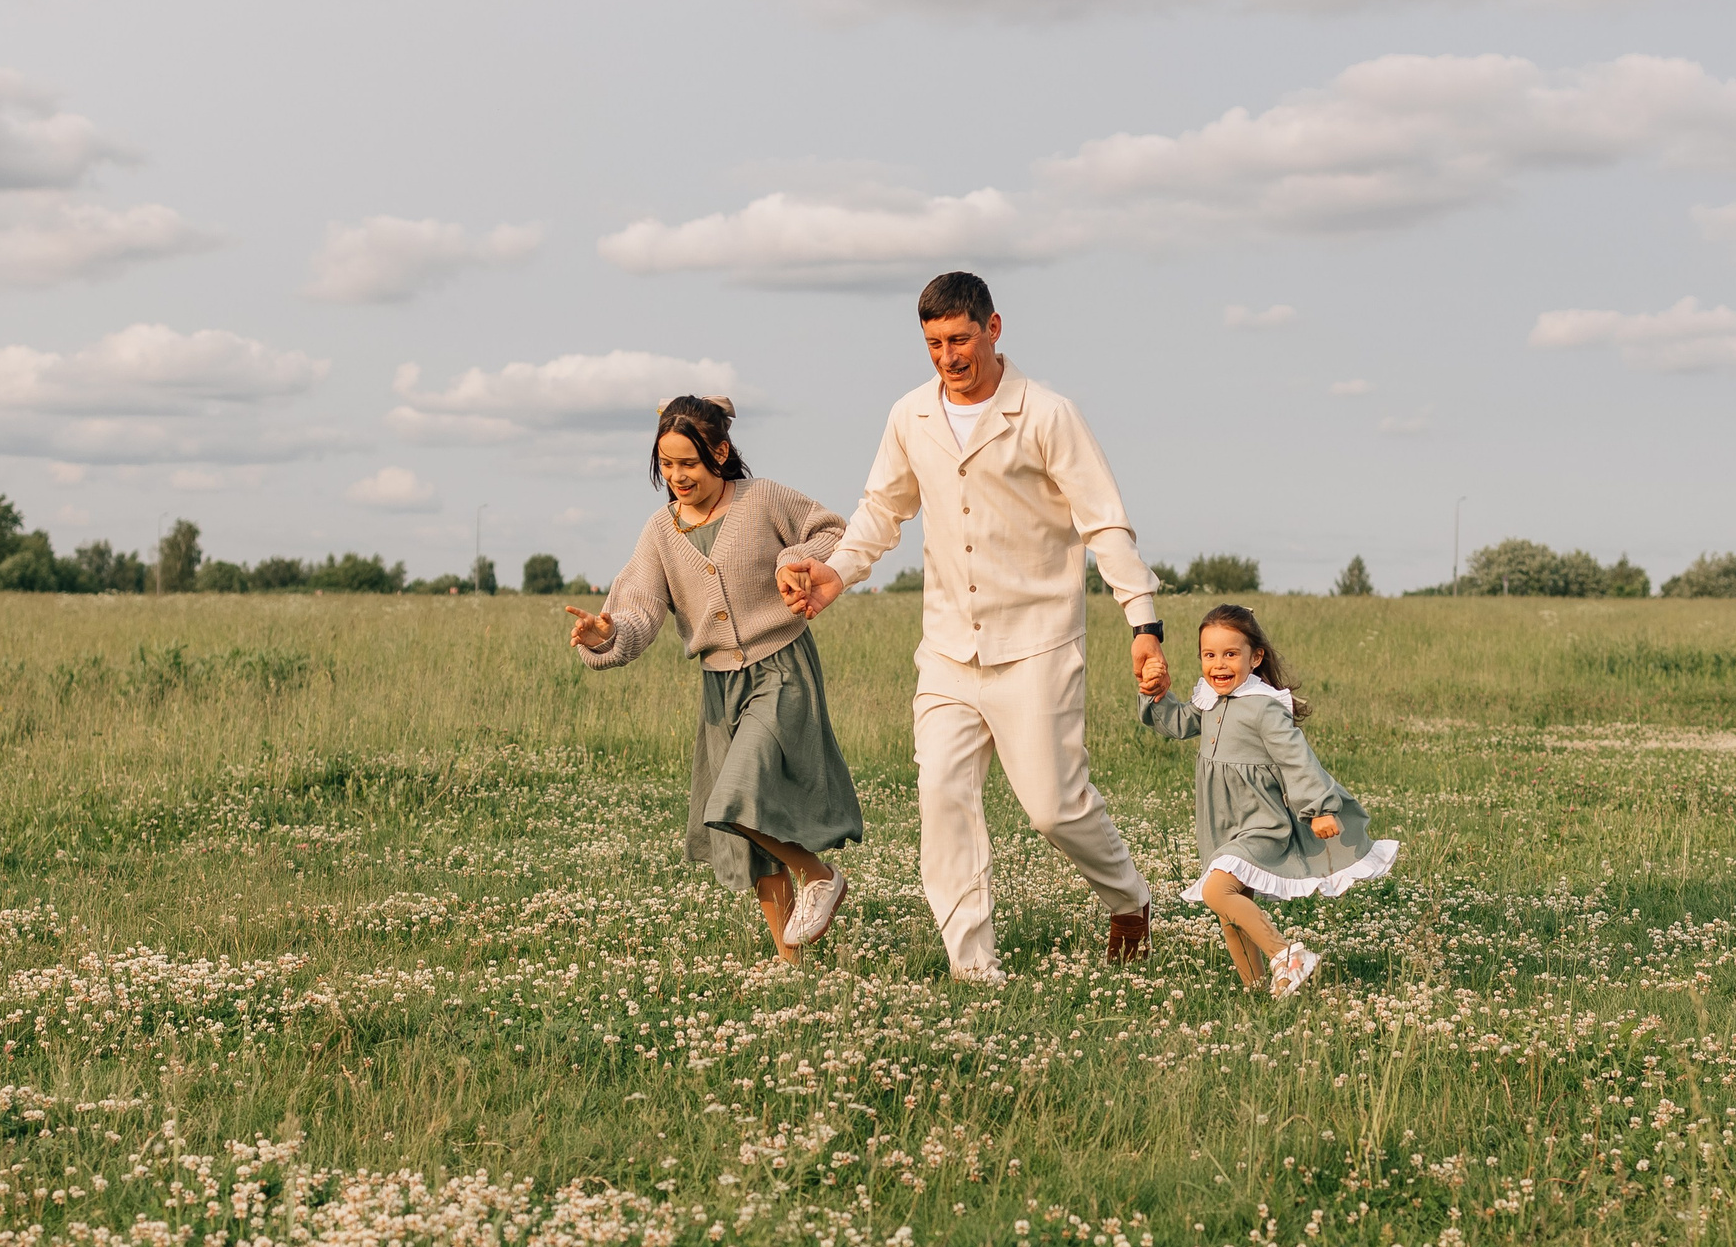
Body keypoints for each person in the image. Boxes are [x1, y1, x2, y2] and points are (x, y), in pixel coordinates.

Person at [779, 271, 1166, 979]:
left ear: (993, 328)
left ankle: (1129, 896)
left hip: (1038, 646)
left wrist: (1143, 622)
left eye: (959, 338)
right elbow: (881, 509)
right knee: (942, 800)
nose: (947, 356)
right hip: (949, 652)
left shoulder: (1048, 414)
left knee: (1054, 808)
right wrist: (838, 570)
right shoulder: (910, 415)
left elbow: (1103, 522)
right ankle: (974, 966)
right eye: (933, 343)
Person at [569, 395, 863, 963]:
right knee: (745, 838)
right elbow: (640, 609)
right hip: (719, 687)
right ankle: (790, 966)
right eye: (667, 463)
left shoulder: (762, 499)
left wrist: (793, 561)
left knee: (735, 797)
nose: (677, 476)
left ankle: (821, 878)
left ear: (720, 453)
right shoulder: (660, 532)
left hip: (781, 668)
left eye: (689, 464)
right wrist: (605, 635)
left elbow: (832, 531)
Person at [1136, 603, 1399, 996]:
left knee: (1215, 891)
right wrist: (1156, 692)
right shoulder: (1209, 699)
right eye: (1209, 655)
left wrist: (1320, 809)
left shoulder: (1263, 705)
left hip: (1262, 822)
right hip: (1223, 824)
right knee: (1230, 911)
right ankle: (1258, 991)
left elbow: (1296, 758)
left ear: (1255, 657)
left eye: (1230, 654)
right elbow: (1176, 722)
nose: (1219, 665)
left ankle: (1286, 955)